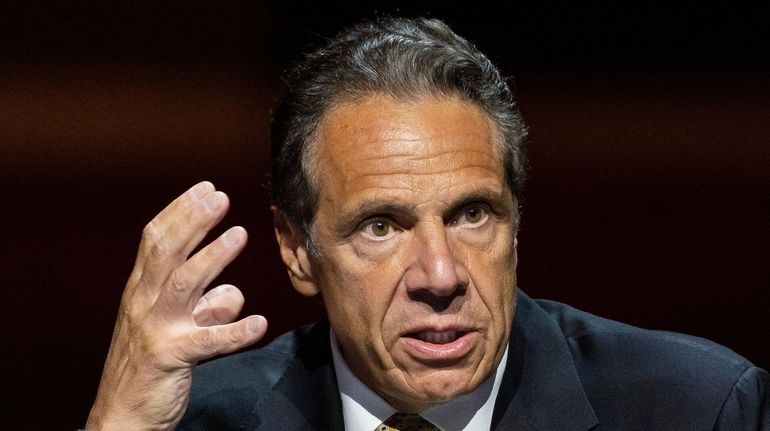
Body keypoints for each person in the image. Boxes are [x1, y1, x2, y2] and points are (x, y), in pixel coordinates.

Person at [86, 17, 768, 430]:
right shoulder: (200, 421)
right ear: (296, 248)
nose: (441, 276)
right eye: (381, 225)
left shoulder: (695, 408)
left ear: (517, 223)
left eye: (473, 214)